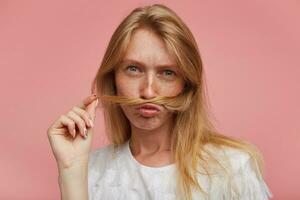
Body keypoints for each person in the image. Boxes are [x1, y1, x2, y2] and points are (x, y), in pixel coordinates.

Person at [47, 4, 273, 200]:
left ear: (186, 83)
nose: (148, 91)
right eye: (133, 69)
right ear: (113, 79)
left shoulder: (232, 168)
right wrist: (71, 171)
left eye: (167, 73)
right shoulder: (91, 170)